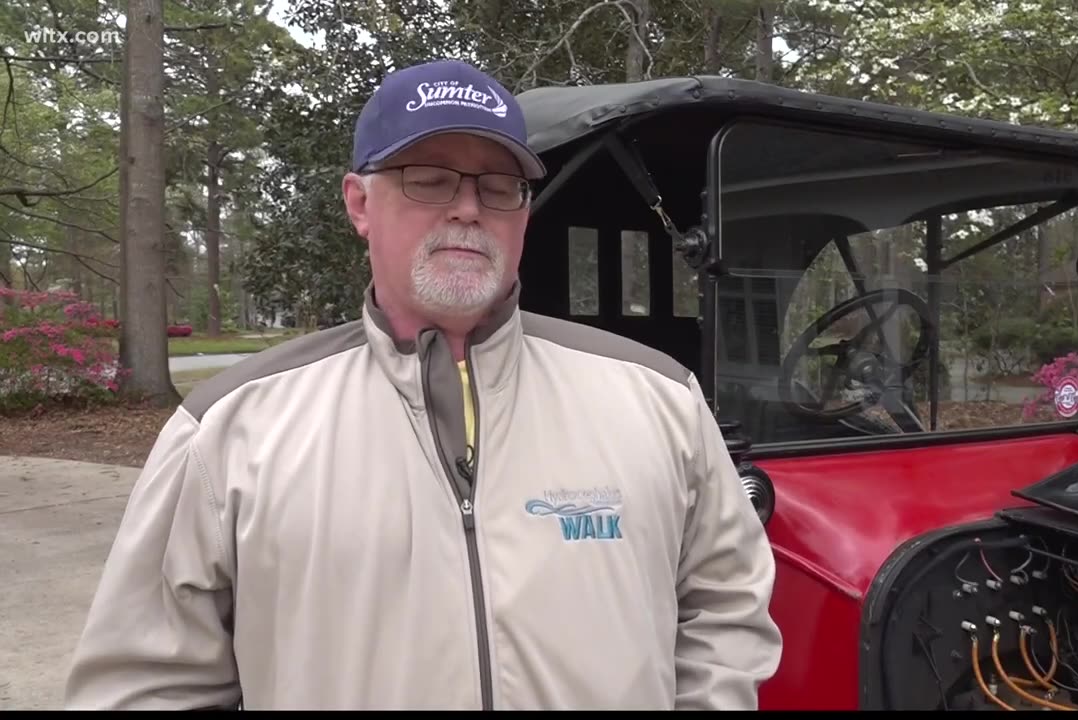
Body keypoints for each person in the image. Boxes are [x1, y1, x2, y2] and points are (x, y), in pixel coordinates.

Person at [64, 59, 783, 711]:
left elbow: (726, 611)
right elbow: (144, 685)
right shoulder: (229, 429)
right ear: (358, 204)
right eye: (428, 179)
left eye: (498, 186)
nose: (468, 208)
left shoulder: (657, 400)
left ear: (523, 212)